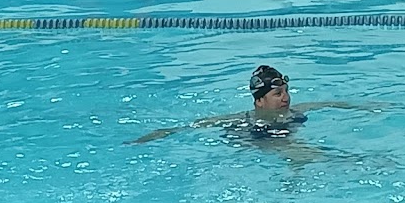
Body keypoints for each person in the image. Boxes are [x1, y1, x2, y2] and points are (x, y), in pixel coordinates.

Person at [127, 64, 373, 149]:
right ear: (259, 101)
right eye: (277, 94)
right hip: (258, 140)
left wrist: (370, 107)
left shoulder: (298, 110)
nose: (285, 98)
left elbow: (332, 103)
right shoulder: (243, 120)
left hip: (282, 143)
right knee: (301, 152)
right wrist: (157, 134)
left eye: (286, 92)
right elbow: (194, 126)